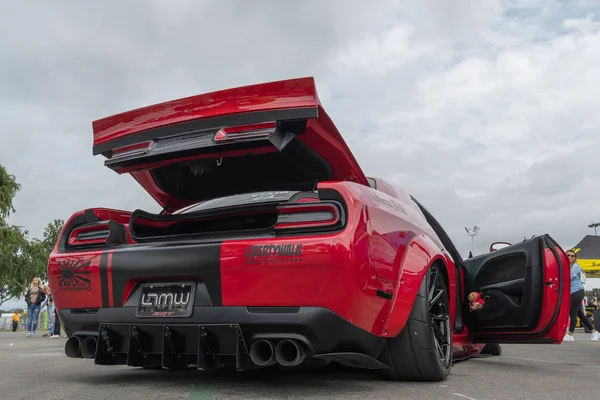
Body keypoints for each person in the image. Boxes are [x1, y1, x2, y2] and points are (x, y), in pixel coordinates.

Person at [564, 250, 600, 341]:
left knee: (573, 312)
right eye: (568, 255)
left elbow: (569, 276)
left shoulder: (575, 266)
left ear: (575, 258)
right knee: (580, 314)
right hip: (572, 292)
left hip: (577, 291)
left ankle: (570, 334)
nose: (570, 257)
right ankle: (594, 332)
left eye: (572, 256)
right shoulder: (566, 266)